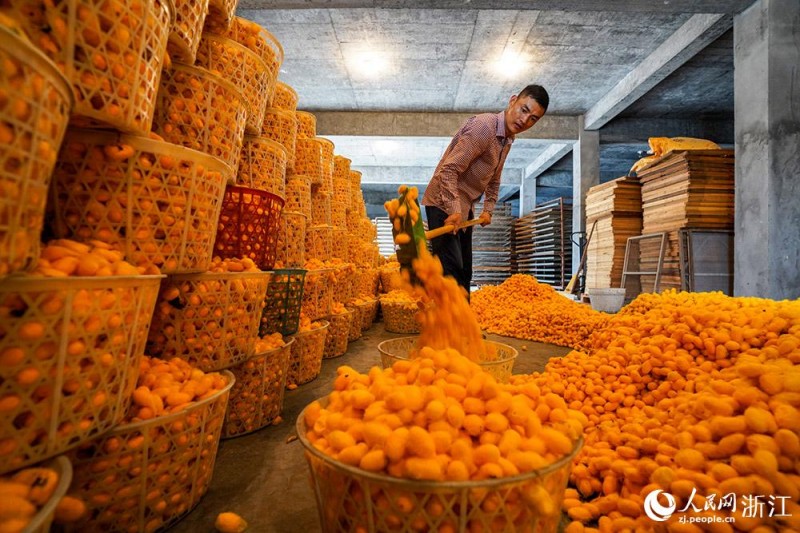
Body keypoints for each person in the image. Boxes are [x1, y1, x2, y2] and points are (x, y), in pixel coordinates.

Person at [421, 84, 549, 298]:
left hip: (464, 206)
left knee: (465, 271)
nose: (524, 120)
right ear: (513, 100)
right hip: (443, 201)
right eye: (524, 110)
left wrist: (488, 209)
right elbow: (449, 170)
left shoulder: (507, 140)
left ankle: (463, 326)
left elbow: (494, 179)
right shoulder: (484, 127)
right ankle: (450, 327)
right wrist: (453, 210)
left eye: (533, 118)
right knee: (451, 270)